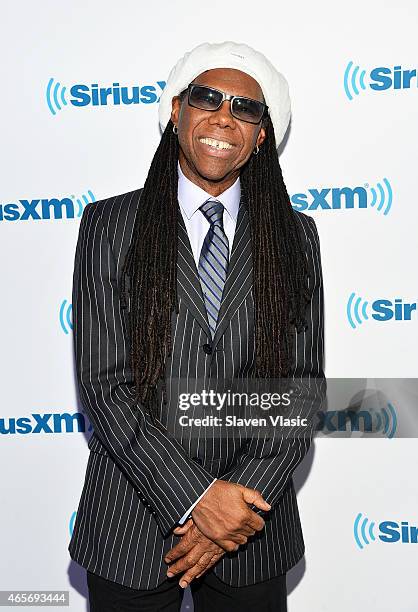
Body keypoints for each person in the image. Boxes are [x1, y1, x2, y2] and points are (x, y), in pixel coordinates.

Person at [68, 41, 325, 611]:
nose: (223, 118)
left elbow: (302, 390)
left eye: (245, 108)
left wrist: (230, 512)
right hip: (130, 525)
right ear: (176, 112)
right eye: (207, 98)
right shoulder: (110, 225)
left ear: (261, 135)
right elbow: (106, 386)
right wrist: (198, 500)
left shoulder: (296, 236)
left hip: (252, 530)